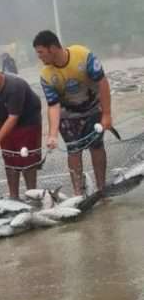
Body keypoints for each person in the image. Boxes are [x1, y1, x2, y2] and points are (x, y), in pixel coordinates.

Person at [33, 30, 112, 196]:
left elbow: (103, 83)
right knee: (73, 150)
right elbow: (53, 105)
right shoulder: (46, 74)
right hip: (67, 115)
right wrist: (52, 134)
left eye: (41, 52)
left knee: (96, 147)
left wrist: (106, 114)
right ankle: (78, 192)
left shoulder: (83, 55)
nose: (39, 57)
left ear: (53, 48)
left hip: (92, 109)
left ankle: (101, 188)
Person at [0, 58, 43, 199]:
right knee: (10, 160)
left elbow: (14, 117)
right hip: (3, 120)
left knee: (27, 160)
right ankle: (14, 197)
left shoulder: (14, 86)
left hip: (27, 120)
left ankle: (32, 195)